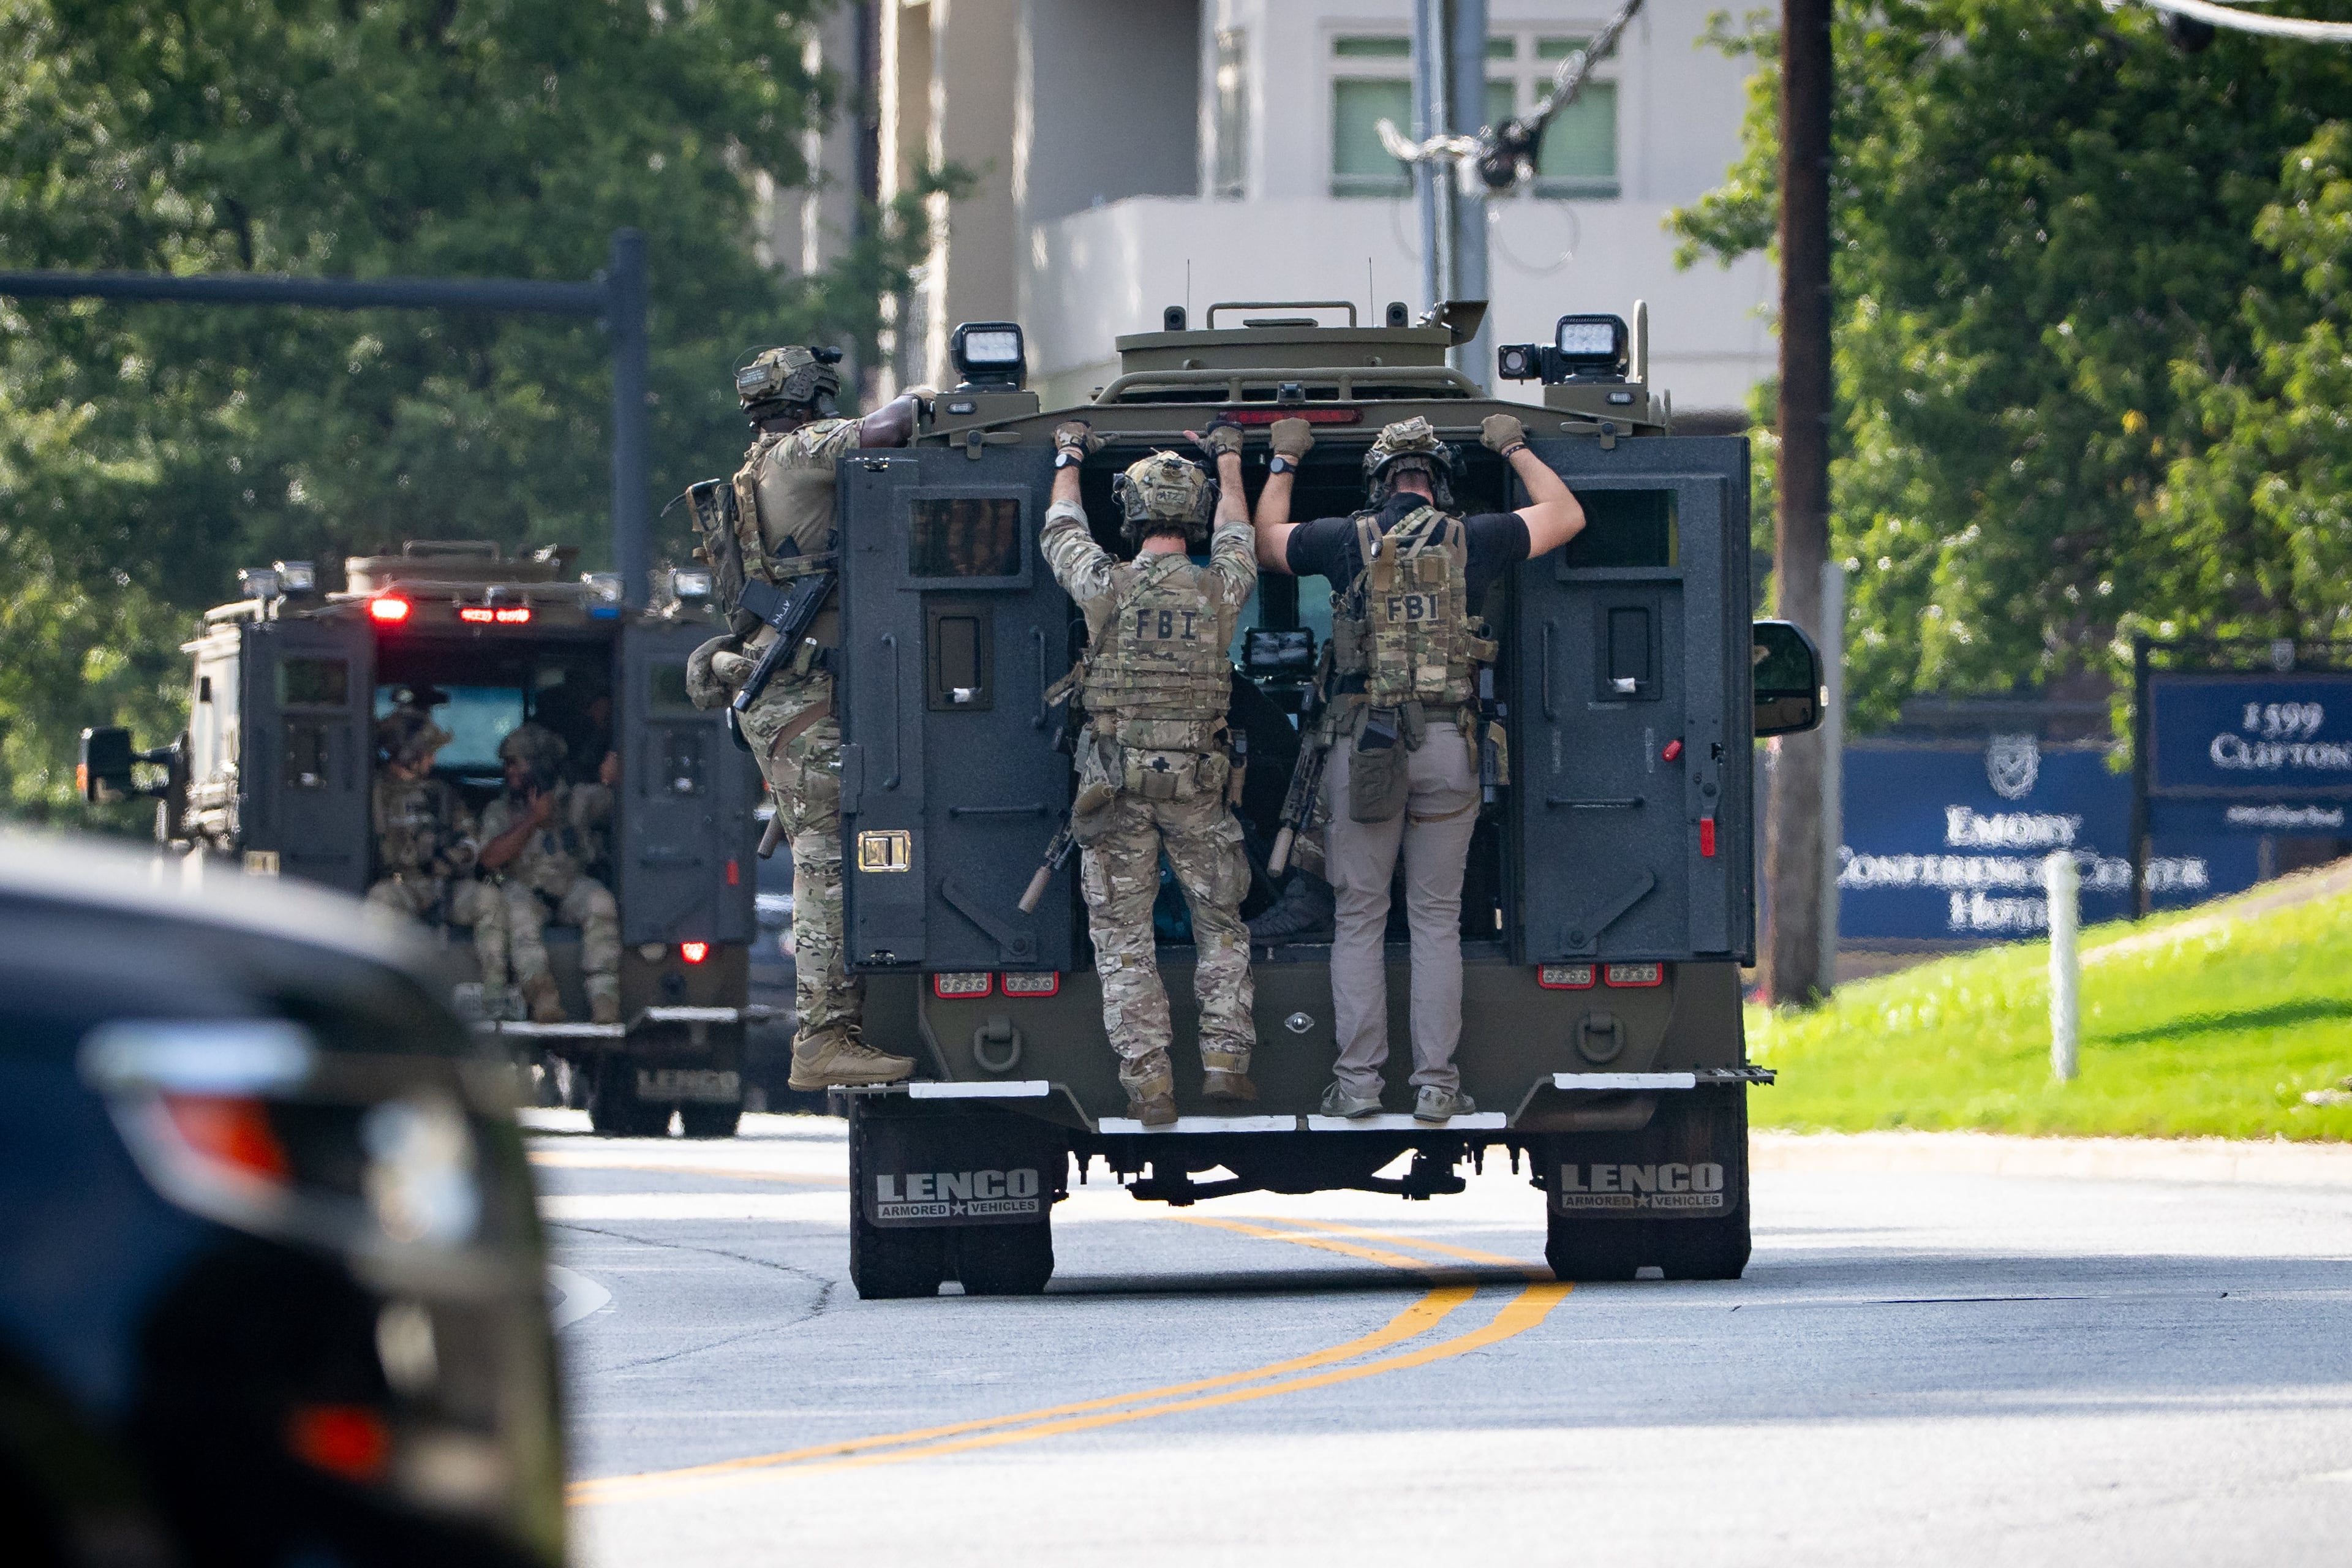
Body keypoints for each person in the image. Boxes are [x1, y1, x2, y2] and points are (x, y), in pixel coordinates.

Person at [1252, 413, 1587, 1123]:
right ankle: (1436, 1084)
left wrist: (1284, 460)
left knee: (1360, 917)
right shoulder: (1478, 538)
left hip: (1365, 751)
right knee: (1436, 920)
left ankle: (1359, 1085)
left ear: (1380, 485)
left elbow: (1265, 543)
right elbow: (1567, 514)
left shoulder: (1348, 538)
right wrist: (1515, 446)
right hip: (1448, 746)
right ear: (1438, 484)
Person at [684, 347, 927, 1089]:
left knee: (829, 852)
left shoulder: (756, 468)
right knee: (825, 864)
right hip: (798, 694)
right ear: (812, 396)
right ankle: (822, 1038)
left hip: (783, 692)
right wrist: (937, 393)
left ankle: (832, 1028)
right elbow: (893, 425)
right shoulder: (800, 452)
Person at [1041, 418, 1259, 1126]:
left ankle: (1151, 1086)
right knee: (1220, 924)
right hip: (1198, 783)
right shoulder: (1222, 590)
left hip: (1116, 786)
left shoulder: (1104, 584)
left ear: (1130, 515)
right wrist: (1228, 457)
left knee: (1124, 938)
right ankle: (1226, 1061)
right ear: (1190, 517)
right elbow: (1238, 532)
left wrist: (1071, 452)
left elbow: (1061, 528)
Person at [366, 696, 510, 1012]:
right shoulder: (375, 792)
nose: (432, 762)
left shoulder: (442, 795)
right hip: (401, 887)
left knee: (489, 901)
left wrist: (452, 860)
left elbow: (472, 840)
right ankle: (381, 1001)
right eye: (428, 754)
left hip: (444, 886)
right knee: (379, 901)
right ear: (409, 755)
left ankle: (496, 996)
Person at [478, 722, 620, 1025]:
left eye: (515, 764)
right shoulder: (500, 810)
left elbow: (625, 807)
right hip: (526, 890)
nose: (509, 772)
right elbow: (489, 860)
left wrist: (614, 780)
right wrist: (533, 819)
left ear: (538, 763)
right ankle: (543, 1001)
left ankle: (605, 1001)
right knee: (516, 911)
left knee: (600, 902)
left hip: (571, 887)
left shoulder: (579, 799)